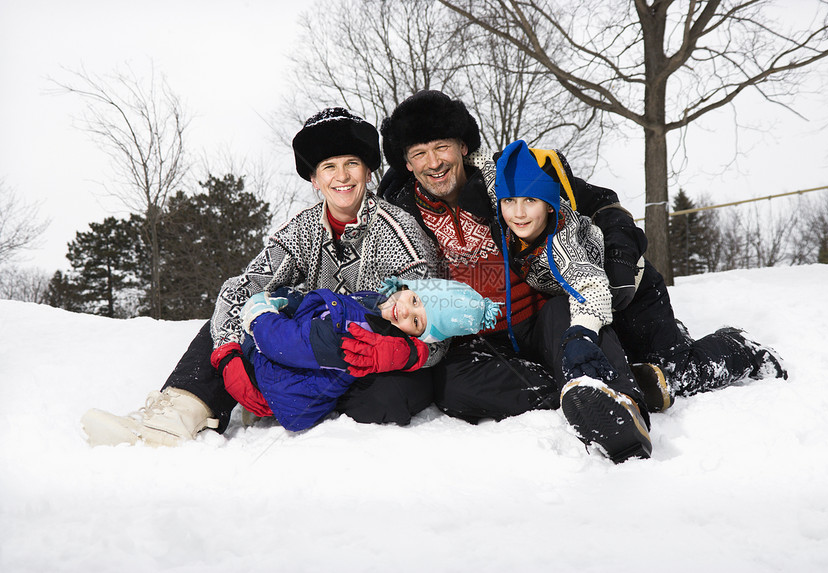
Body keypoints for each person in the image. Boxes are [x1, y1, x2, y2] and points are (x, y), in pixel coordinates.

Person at [82, 107, 441, 447]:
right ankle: (177, 412)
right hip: (316, 347)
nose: (342, 176)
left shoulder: (400, 233)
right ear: (315, 179)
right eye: (329, 167)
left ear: (367, 172)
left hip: (380, 360)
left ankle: (286, 396)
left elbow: (439, 325)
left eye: (352, 164)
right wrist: (226, 354)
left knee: (385, 400)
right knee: (242, 312)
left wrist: (407, 352)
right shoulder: (301, 231)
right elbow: (242, 289)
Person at [378, 90, 653, 462]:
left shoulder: (507, 178)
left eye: (441, 147)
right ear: (407, 164)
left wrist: (620, 244)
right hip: (480, 341)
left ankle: (620, 414)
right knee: (449, 386)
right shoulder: (401, 217)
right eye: (419, 154)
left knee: (567, 313)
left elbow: (598, 202)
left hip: (539, 317)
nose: (434, 162)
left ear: (462, 145)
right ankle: (569, 390)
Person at [493, 139, 652, 462]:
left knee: (680, 362)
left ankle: (737, 351)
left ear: (549, 204)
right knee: (564, 314)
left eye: (530, 201)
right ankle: (627, 384)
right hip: (582, 299)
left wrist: (581, 333)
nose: (518, 212)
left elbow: (589, 286)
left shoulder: (561, 239)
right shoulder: (510, 228)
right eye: (509, 200)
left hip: (636, 288)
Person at [237, 277, 500, 432]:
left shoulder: (361, 339)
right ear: (409, 287)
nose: (406, 312)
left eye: (418, 322)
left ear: (418, 337)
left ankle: (255, 383)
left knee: (252, 343)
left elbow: (290, 344)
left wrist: (258, 318)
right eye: (415, 300)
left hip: (285, 389)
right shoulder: (377, 305)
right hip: (300, 362)